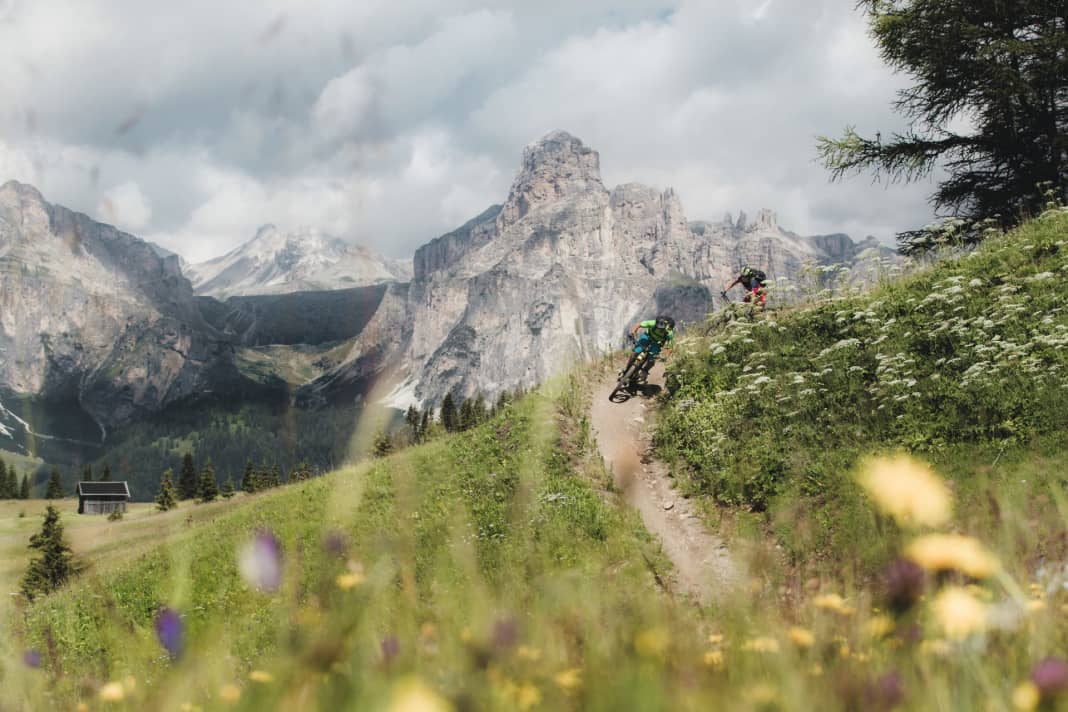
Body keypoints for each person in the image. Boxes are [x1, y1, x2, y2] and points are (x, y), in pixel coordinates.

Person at [624, 315, 676, 384]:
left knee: (651, 360)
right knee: (635, 353)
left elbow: (670, 346)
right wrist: (633, 332)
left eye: (662, 329)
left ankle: (645, 371)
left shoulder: (669, 332)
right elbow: (639, 325)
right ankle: (626, 370)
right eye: (658, 327)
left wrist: (666, 355)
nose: (660, 329)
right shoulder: (653, 323)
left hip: (657, 343)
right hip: (647, 337)